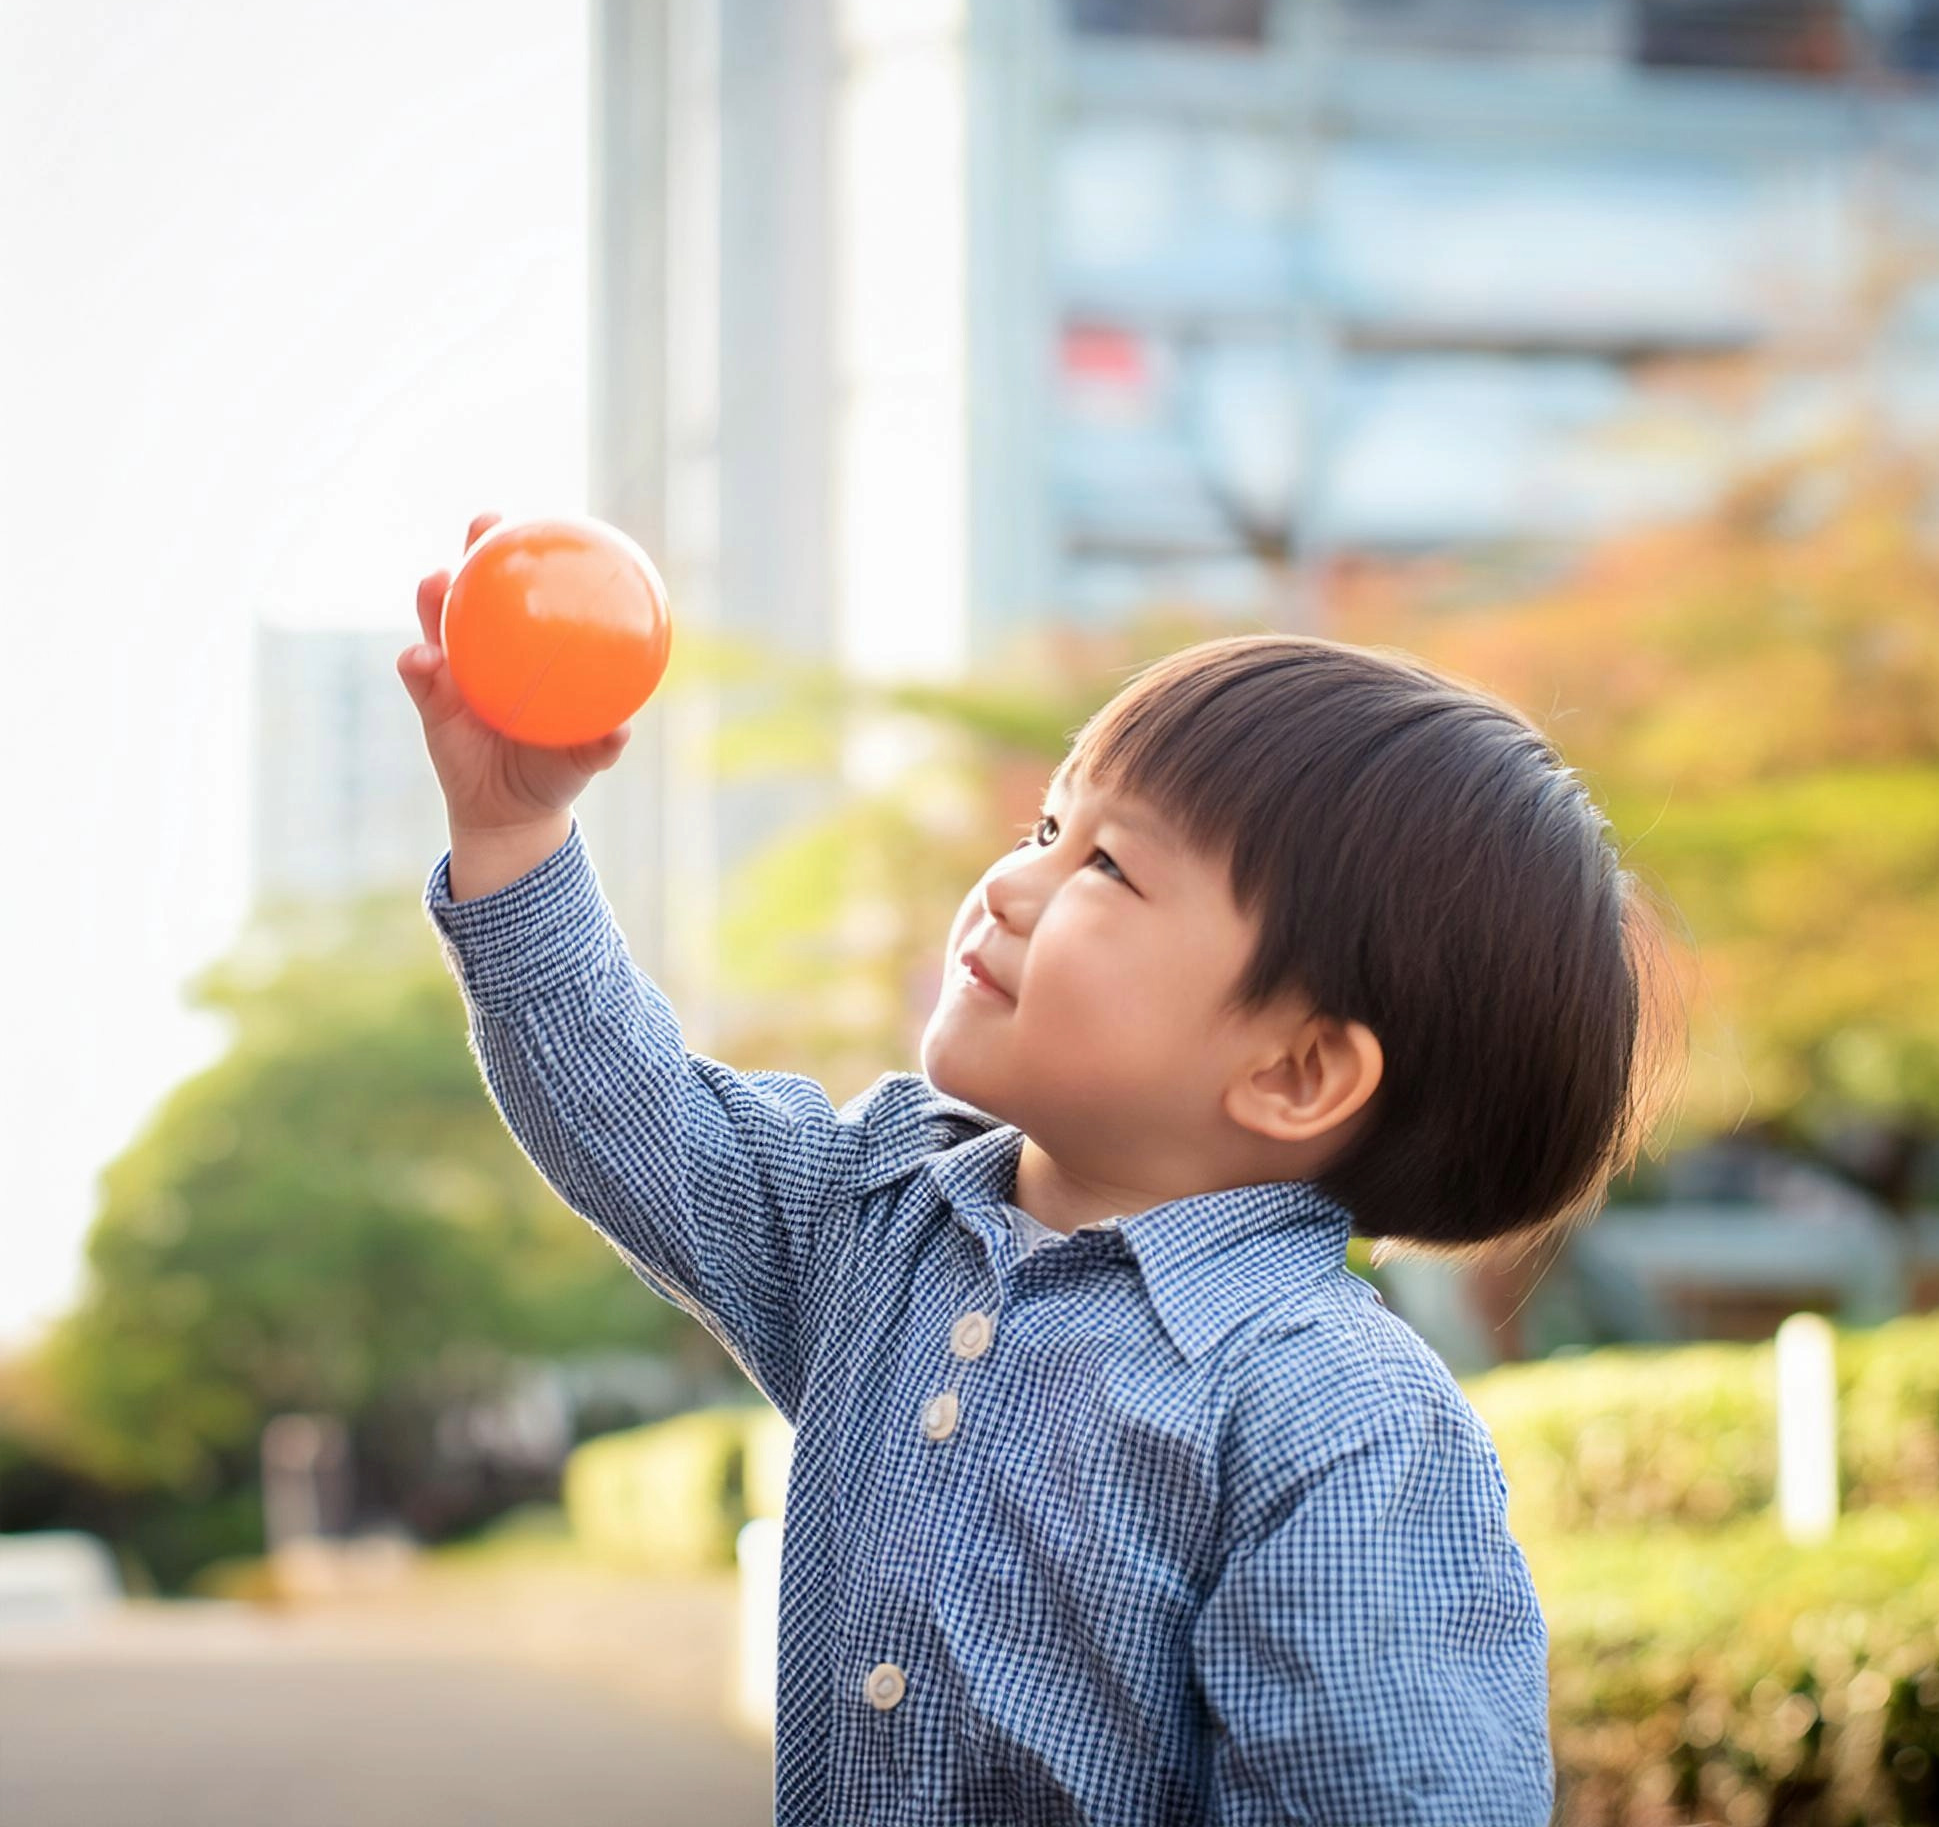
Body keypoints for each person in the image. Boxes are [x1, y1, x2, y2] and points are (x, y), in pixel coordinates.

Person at [397, 510, 1685, 1827]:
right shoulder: (882, 1220)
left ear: (1295, 1073)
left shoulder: (1329, 1412)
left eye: (1108, 866)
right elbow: (636, 1114)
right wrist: (514, 835)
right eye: (1046, 826)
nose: (1012, 885)